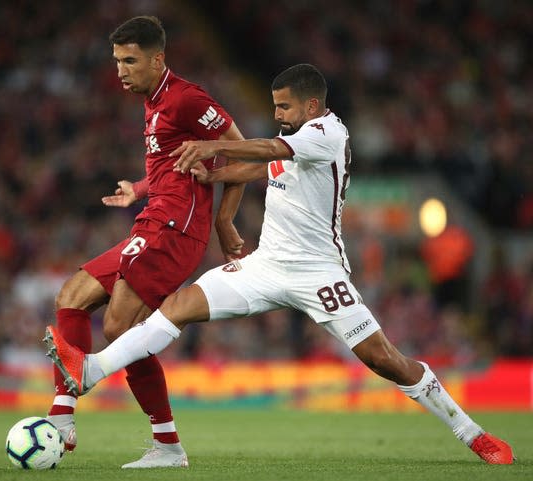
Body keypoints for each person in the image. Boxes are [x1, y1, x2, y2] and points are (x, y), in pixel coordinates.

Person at [44, 64, 514, 465]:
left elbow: (268, 150)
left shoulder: (327, 134)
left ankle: (471, 433)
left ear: (311, 106)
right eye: (274, 107)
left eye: (283, 107)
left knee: (384, 359)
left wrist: (212, 148)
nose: (276, 115)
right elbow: (260, 167)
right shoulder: (298, 138)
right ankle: (91, 371)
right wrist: (214, 174)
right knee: (180, 304)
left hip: (318, 272)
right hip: (266, 266)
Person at [44, 16, 246, 468]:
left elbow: (242, 149)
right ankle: (63, 417)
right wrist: (139, 188)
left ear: (158, 60)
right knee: (71, 297)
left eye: (130, 60)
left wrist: (224, 220)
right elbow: (169, 167)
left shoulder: (187, 99)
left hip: (176, 231)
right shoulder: (151, 100)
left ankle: (167, 446)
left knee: (119, 330)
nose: (120, 69)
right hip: (151, 221)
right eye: (117, 60)